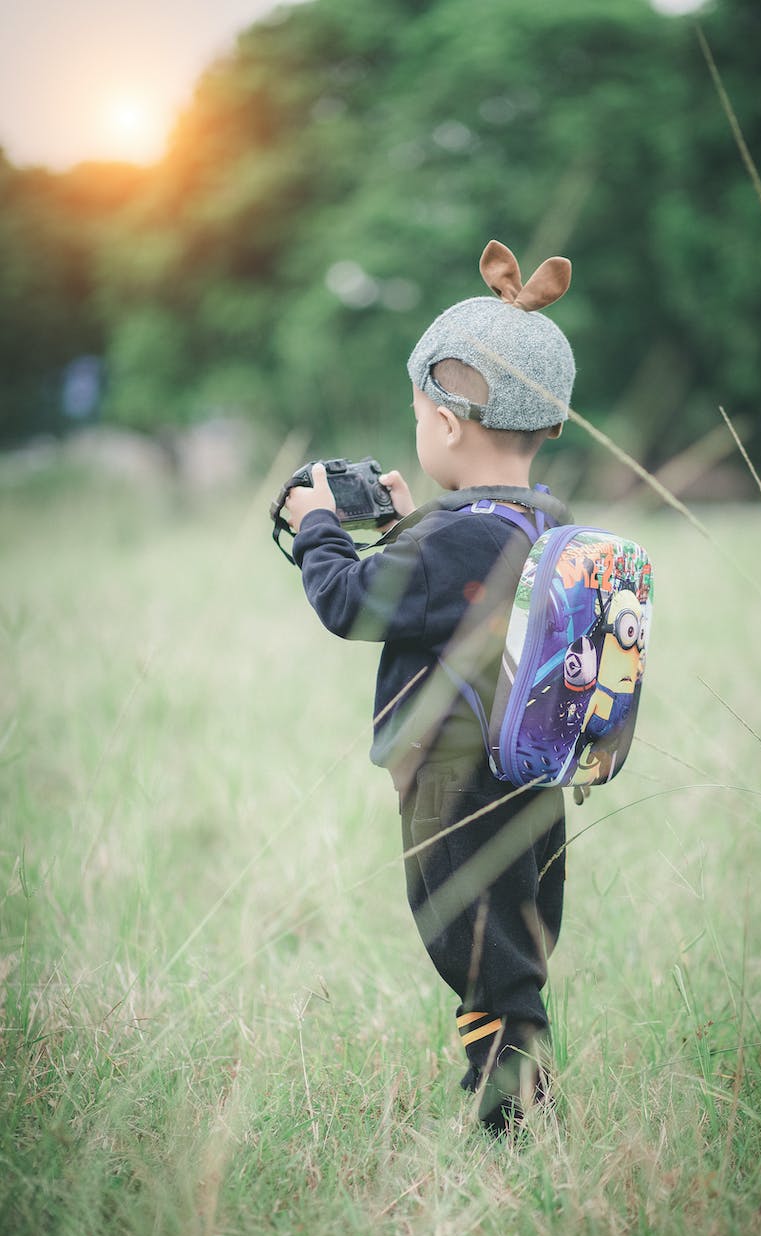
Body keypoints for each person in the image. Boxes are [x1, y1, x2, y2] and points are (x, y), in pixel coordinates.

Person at [283, 240, 576, 1132]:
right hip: (531, 777)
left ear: (446, 424)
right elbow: (458, 594)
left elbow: (349, 604)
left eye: (420, 413)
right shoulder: (541, 518)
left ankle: (510, 1114)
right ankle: (512, 1085)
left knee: (474, 945)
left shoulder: (448, 541)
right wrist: (413, 522)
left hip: (453, 782)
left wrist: (316, 526)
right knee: (513, 939)